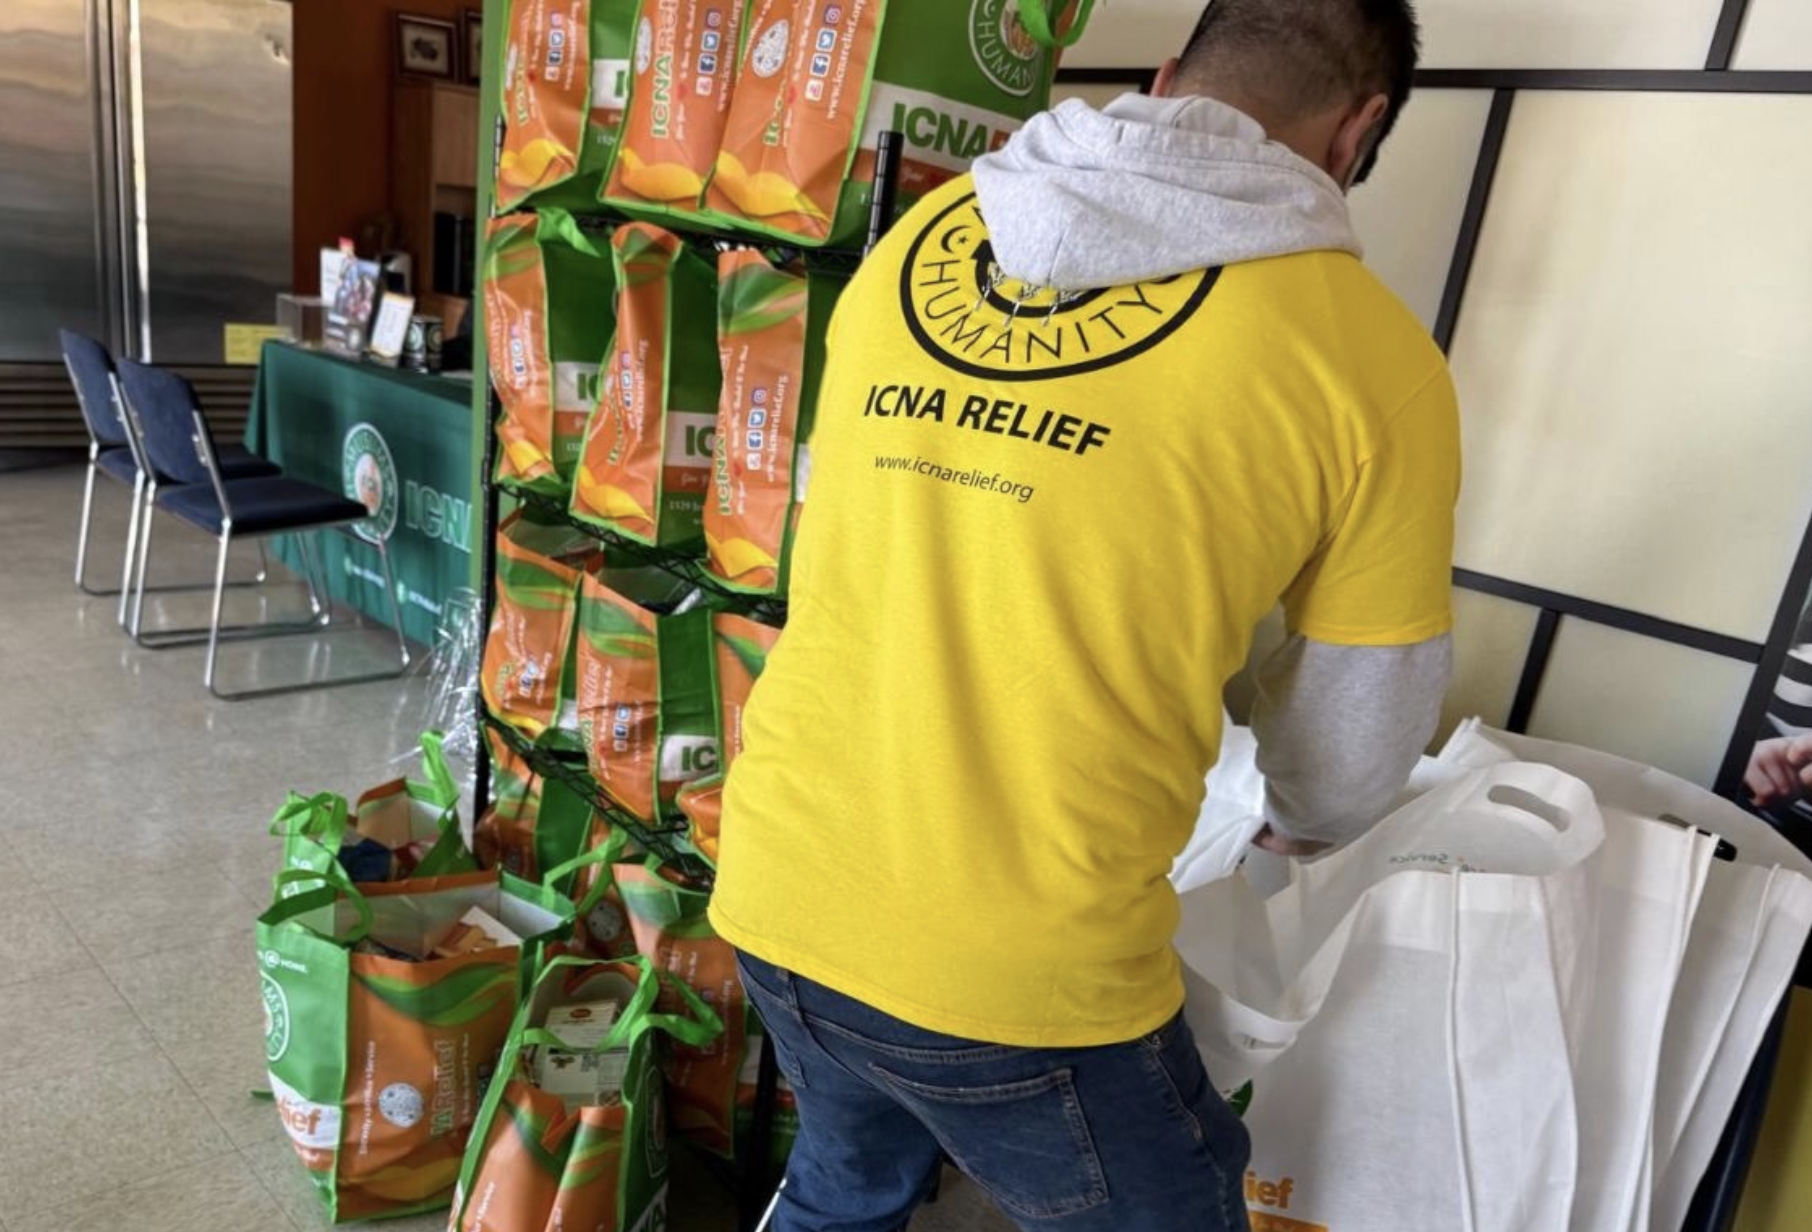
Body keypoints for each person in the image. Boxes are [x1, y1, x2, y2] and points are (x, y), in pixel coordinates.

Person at [709, 2, 1458, 1228]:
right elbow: (1349, 753)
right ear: (1357, 131)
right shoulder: (1369, 357)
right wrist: (1290, 814)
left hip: (780, 876)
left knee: (845, 1190)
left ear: (1166, 80)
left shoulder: (920, 240)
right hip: (1022, 965)